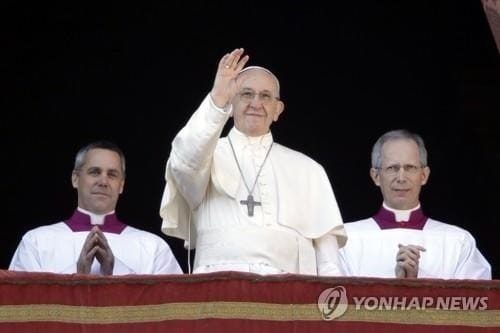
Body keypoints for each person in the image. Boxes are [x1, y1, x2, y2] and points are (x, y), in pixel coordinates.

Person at [159, 48, 346, 275]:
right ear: (231, 104)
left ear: (277, 110)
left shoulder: (309, 169)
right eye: (246, 94)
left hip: (287, 293)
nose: (256, 103)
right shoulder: (205, 156)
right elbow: (183, 162)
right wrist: (217, 96)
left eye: (265, 96)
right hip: (216, 287)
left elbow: (329, 261)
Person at [9, 141, 182, 275]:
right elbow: (22, 309)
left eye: (112, 175)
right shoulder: (36, 242)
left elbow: (170, 313)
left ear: (121, 185)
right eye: (94, 172)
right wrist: (78, 276)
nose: (103, 181)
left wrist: (113, 273)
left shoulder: (153, 247)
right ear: (75, 179)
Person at [339, 129, 491, 279]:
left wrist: (416, 286)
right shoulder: (346, 239)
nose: (401, 177)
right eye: (392, 168)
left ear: (424, 175)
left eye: (410, 168)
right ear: (376, 176)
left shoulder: (457, 241)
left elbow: (477, 300)